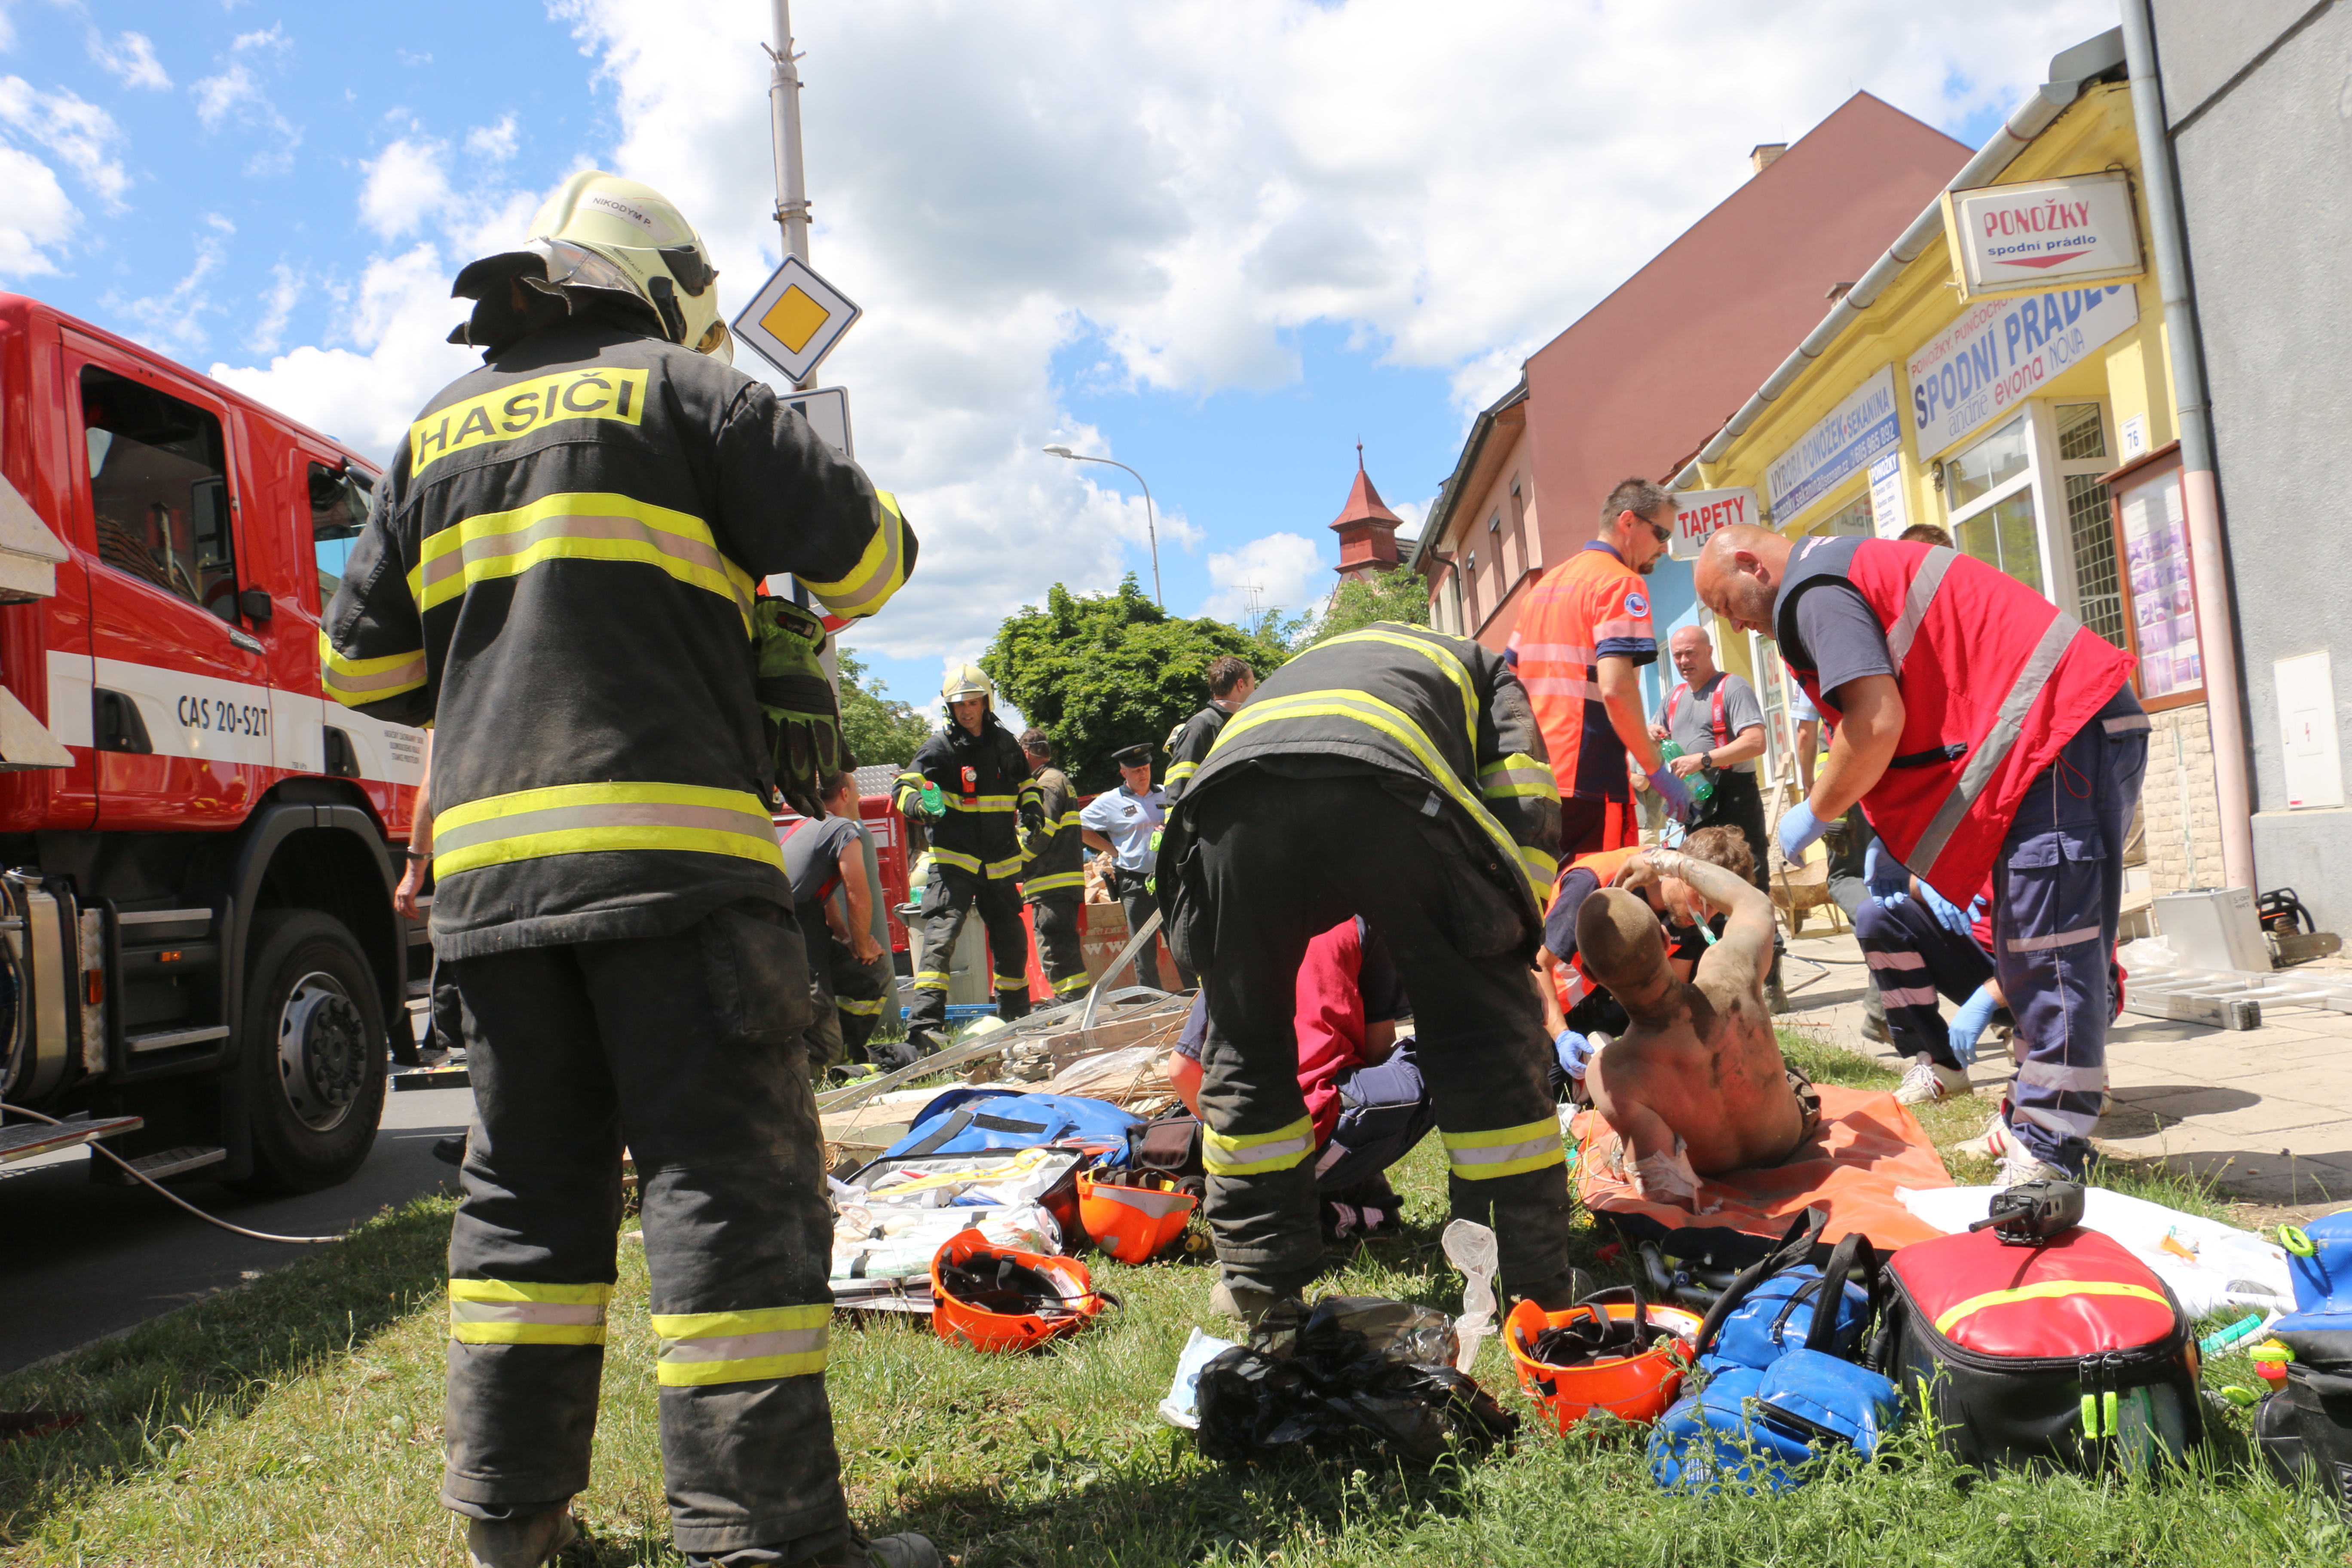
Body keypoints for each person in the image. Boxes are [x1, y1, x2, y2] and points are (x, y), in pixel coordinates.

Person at [318, 171, 931, 1568]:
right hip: (671, 869)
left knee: (527, 1195)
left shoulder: (430, 430)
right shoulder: (686, 394)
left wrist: (501, 651)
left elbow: (356, 664)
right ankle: (760, 1536)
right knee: (725, 1185)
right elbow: (870, 558)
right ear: (668, 295)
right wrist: (754, 586)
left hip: (491, 894)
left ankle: (514, 1531)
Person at [1155, 623, 1586, 1324]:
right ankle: (1522, 1278)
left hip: (1227, 805)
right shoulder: (1483, 670)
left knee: (1244, 1048)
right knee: (1482, 1039)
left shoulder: (1310, 667)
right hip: (1383, 783)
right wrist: (1510, 930)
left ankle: (1257, 1277)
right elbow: (1526, 796)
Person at [1695, 523, 2147, 1188]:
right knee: (2034, 951)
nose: (1738, 626)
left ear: (1750, 564)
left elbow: (1874, 722)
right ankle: (2036, 1128)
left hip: (2056, 736)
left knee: (2049, 952)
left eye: (1727, 604)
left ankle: (2048, 1156)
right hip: (2062, 734)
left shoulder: (1813, 590)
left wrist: (1816, 809)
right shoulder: (1839, 571)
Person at [1580, 846, 1819, 1204]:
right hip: (1789, 1139)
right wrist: (1666, 861)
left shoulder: (1613, 1072)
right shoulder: (1730, 971)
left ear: (1591, 977)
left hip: (1711, 1174)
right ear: (1665, 940)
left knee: (1609, 1146)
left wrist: (1617, 1152)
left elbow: (1668, 1190)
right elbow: (1754, 903)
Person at [1167, 919, 1434, 1236]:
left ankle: (1297, 1199)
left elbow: (1182, 1070)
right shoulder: (1358, 924)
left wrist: (1237, 1139)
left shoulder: (1236, 931)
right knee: (1437, 1054)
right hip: (1320, 1135)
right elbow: (1379, 1051)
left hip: (1243, 1160)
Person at [1510, 477, 1694, 856]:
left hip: (1532, 776)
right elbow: (1616, 689)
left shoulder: (1542, 589)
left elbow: (1509, 681)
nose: (1664, 546)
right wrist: (1657, 770)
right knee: (1598, 901)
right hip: (1590, 776)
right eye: (1660, 533)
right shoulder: (1620, 584)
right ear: (1628, 522)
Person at [893, 665, 1043, 1056]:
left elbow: (1025, 783)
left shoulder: (1006, 744)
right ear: (951, 708)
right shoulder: (939, 747)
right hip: (954, 863)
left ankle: (1014, 1020)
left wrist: (1032, 808)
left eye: (973, 702)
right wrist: (917, 805)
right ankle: (925, 1028)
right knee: (940, 941)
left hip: (999, 863)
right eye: (959, 704)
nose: (967, 711)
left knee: (1011, 943)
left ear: (986, 702)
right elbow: (905, 786)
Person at [1648, 625, 1790, 1012]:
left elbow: (1757, 741)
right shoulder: (1673, 699)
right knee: (1701, 888)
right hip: (1697, 804)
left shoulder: (1733, 688)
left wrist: (1705, 759)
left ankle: (1770, 980)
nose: (1683, 662)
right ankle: (1713, 978)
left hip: (1735, 794)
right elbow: (1651, 749)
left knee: (1751, 885)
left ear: (1709, 650)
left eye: (1690, 653)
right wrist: (1653, 733)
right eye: (1677, 656)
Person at [1538, 826, 1755, 1044]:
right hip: (1541, 1005)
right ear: (1676, 871)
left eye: (1716, 908)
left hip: (1594, 998)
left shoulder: (1688, 913)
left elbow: (1671, 1002)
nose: (1705, 918)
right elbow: (1538, 965)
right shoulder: (1594, 882)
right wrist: (1562, 1036)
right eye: (1702, 900)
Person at [1853, 849, 2002, 1107]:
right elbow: (1908, 875)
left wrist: (1997, 992)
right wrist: (1924, 885)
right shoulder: (1962, 812)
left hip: (2048, 975)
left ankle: (2082, 1069)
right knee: (1879, 914)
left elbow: (2068, 949)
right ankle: (1941, 1065)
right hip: (1975, 951)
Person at [784, 771, 888, 1079]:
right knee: (824, 1054)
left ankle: (847, 1047)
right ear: (844, 794)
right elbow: (857, 894)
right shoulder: (843, 829)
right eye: (855, 791)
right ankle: (816, 1069)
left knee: (870, 972)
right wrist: (861, 944)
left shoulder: (805, 825)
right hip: (792, 929)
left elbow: (822, 892)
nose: (857, 797)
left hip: (801, 922)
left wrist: (845, 938)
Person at [1082, 742, 1190, 991]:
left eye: (1146, 768)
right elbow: (1079, 827)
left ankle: (1193, 997)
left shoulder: (1166, 794)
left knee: (1180, 940)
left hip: (1168, 879)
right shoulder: (1110, 801)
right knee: (1143, 947)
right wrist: (1110, 850)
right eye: (1136, 770)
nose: (1143, 774)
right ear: (1124, 773)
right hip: (1134, 881)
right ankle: (1153, 1001)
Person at [1017, 728, 1090, 1002]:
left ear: (1026, 754)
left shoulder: (1046, 784)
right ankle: (1075, 1001)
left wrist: (1012, 862)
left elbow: (1040, 833)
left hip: (1051, 883)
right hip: (1060, 882)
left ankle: (1069, 1002)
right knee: (1064, 945)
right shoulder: (1059, 779)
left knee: (1055, 946)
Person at [1163, 655, 1256, 802]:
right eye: (1253, 686)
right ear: (1241, 685)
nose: (1254, 692)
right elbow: (1179, 785)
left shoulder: (1241, 723)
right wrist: (1176, 825)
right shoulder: (1201, 726)